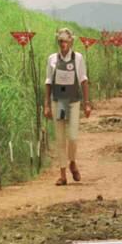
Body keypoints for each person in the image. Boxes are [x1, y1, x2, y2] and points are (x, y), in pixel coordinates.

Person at [44, 28, 92, 185]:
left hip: (73, 102)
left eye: (65, 41)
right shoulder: (52, 59)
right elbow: (48, 82)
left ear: (71, 41)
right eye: (60, 41)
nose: (63, 44)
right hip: (59, 102)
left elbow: (83, 80)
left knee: (72, 136)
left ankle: (72, 162)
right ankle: (63, 174)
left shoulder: (78, 58)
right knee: (60, 138)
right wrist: (46, 105)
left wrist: (87, 103)